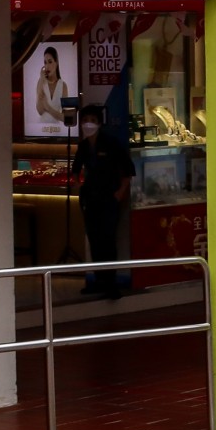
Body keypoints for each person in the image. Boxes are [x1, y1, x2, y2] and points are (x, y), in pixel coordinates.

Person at [74, 104, 135, 298]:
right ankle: (99, 280)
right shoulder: (83, 147)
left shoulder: (111, 143)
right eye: (85, 121)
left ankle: (111, 283)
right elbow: (76, 170)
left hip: (109, 198)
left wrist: (119, 193)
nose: (88, 125)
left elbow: (128, 171)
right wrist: (79, 186)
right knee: (94, 240)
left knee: (108, 240)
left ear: (99, 123)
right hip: (90, 199)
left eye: (92, 121)